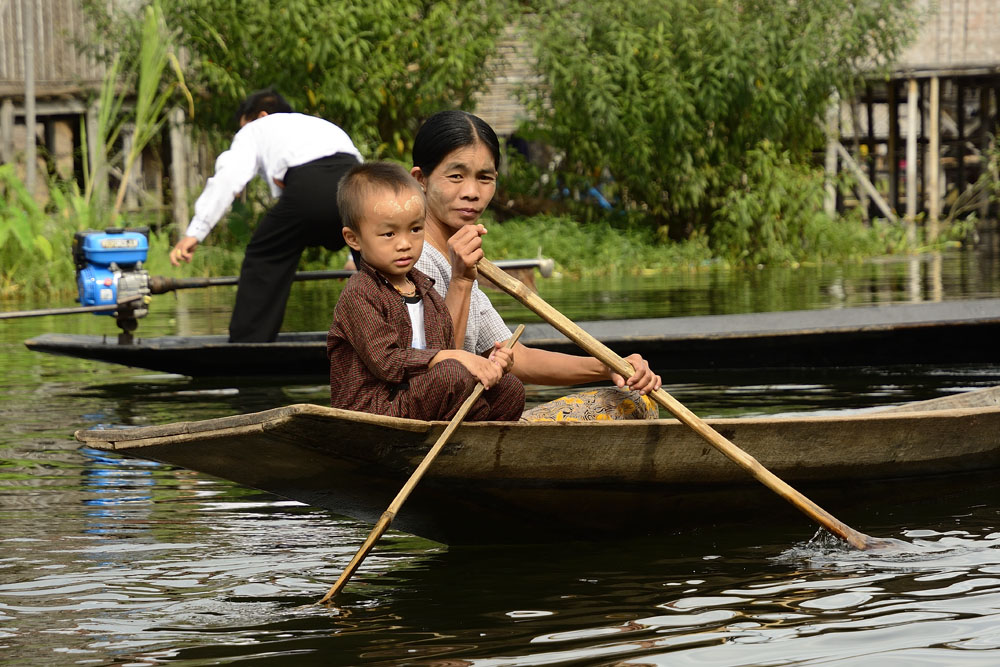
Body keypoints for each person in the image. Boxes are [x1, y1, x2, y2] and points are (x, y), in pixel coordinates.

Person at [409, 110, 662, 419]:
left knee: (633, 401)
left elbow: (515, 356)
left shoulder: (460, 258)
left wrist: (611, 364)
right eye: (456, 176)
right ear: (420, 179)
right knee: (631, 408)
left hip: (468, 421)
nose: (472, 192)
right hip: (433, 428)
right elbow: (440, 372)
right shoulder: (413, 259)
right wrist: (461, 279)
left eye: (484, 178)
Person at [327, 161, 524, 421]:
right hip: (376, 411)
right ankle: (466, 430)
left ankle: (470, 443)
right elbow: (388, 362)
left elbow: (443, 352)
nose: (405, 244)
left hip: (421, 401)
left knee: (510, 388)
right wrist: (459, 358)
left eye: (416, 229)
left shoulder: (425, 289)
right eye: (389, 234)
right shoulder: (360, 292)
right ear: (354, 239)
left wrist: (493, 364)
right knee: (451, 373)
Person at [169, 88, 363, 343]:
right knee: (375, 264)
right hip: (357, 190)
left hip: (310, 189)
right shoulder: (320, 126)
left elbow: (230, 177)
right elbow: (355, 172)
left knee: (264, 256)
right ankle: (397, 337)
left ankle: (249, 342)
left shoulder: (256, 129)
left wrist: (195, 233)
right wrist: (357, 253)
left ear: (260, 115)